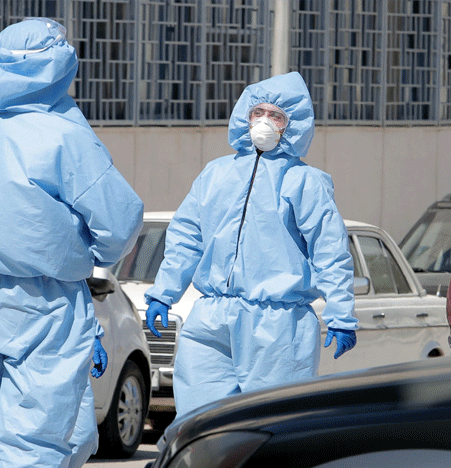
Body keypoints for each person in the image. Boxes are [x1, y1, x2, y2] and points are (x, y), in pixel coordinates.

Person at [0, 17, 144, 468]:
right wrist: (87, 259)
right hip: (42, 303)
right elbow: (120, 222)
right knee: (34, 444)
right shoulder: (63, 132)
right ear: (60, 65)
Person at [145, 72, 358, 418]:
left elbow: (329, 250)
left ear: (293, 125)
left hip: (278, 324)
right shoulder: (215, 174)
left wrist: (340, 312)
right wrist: (163, 292)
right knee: (198, 419)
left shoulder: (304, 182)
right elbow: (186, 236)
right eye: (258, 112)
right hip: (210, 316)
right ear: (244, 116)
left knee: (271, 422)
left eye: (277, 116)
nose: (264, 122)